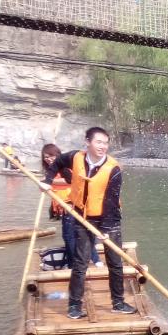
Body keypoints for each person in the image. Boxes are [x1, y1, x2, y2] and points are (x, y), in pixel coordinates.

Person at [41, 127, 136, 319]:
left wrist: (106, 230)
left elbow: (111, 200)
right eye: (98, 142)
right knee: (80, 262)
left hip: (110, 218)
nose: (103, 146)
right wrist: (48, 180)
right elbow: (57, 162)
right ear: (87, 142)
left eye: (106, 143)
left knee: (115, 262)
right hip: (82, 216)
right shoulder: (75, 157)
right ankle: (74, 306)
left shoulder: (113, 168)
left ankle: (118, 303)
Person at [41, 142, 102, 266]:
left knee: (70, 235)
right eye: (46, 157)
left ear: (57, 154)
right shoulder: (52, 170)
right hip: (66, 206)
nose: (48, 159)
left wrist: (49, 181)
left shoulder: (62, 167)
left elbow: (71, 180)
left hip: (71, 205)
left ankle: (76, 263)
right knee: (78, 234)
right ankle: (94, 261)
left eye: (51, 156)